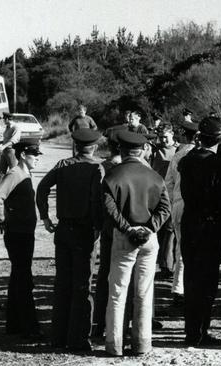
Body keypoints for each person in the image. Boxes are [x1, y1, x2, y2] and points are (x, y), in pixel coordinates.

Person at [103, 130, 171, 356]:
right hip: (148, 239)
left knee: (117, 292)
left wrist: (127, 228)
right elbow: (165, 208)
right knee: (143, 292)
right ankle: (142, 343)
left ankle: (115, 345)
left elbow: (109, 207)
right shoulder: (154, 176)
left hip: (124, 237)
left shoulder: (112, 176)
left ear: (121, 150)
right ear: (142, 150)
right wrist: (150, 228)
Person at [36, 128, 104, 351]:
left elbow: (42, 188)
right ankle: (80, 338)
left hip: (64, 230)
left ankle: (59, 336)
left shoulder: (63, 165)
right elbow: (96, 200)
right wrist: (98, 228)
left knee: (62, 283)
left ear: (75, 145)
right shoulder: (96, 167)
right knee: (83, 285)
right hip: (85, 230)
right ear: (94, 147)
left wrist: (45, 217)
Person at [178, 116, 221, 346]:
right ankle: (201, 331)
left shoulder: (186, 161)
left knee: (191, 277)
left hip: (190, 222)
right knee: (207, 281)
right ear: (219, 138)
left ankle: (191, 331)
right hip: (211, 227)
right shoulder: (218, 165)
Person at [0, 139, 42, 337]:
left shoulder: (24, 173)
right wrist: (5, 220)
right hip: (18, 234)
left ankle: (14, 324)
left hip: (23, 233)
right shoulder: (15, 174)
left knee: (18, 277)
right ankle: (28, 327)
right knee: (23, 279)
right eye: (34, 154)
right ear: (22, 155)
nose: (37, 158)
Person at [92, 125, 126, 336]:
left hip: (107, 226)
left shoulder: (102, 168)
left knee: (105, 273)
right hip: (124, 227)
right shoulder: (132, 167)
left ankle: (100, 322)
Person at [166, 120, 199, 306]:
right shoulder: (200, 155)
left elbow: (168, 183)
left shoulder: (177, 155)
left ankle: (179, 289)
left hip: (178, 205)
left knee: (181, 249)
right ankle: (186, 289)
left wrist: (173, 201)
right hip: (192, 206)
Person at [150, 122, 178, 279]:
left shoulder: (178, 151)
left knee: (170, 231)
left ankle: (167, 265)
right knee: (159, 230)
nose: (163, 141)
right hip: (156, 193)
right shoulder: (155, 151)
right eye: (161, 138)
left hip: (171, 194)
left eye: (166, 137)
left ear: (172, 134)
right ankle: (162, 263)